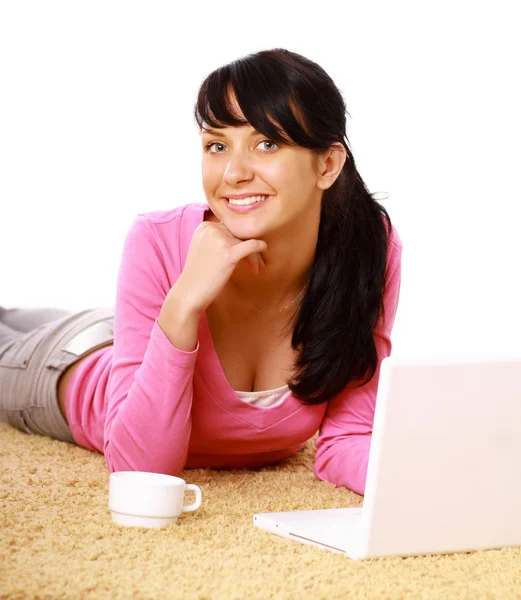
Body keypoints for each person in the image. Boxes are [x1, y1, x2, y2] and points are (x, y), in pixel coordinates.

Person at [0, 48, 402, 496]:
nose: (233, 173)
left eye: (266, 143)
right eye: (217, 146)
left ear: (326, 165)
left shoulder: (367, 246)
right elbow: (140, 467)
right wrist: (185, 301)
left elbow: (347, 438)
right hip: (61, 365)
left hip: (117, 334)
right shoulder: (157, 238)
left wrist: (430, 486)